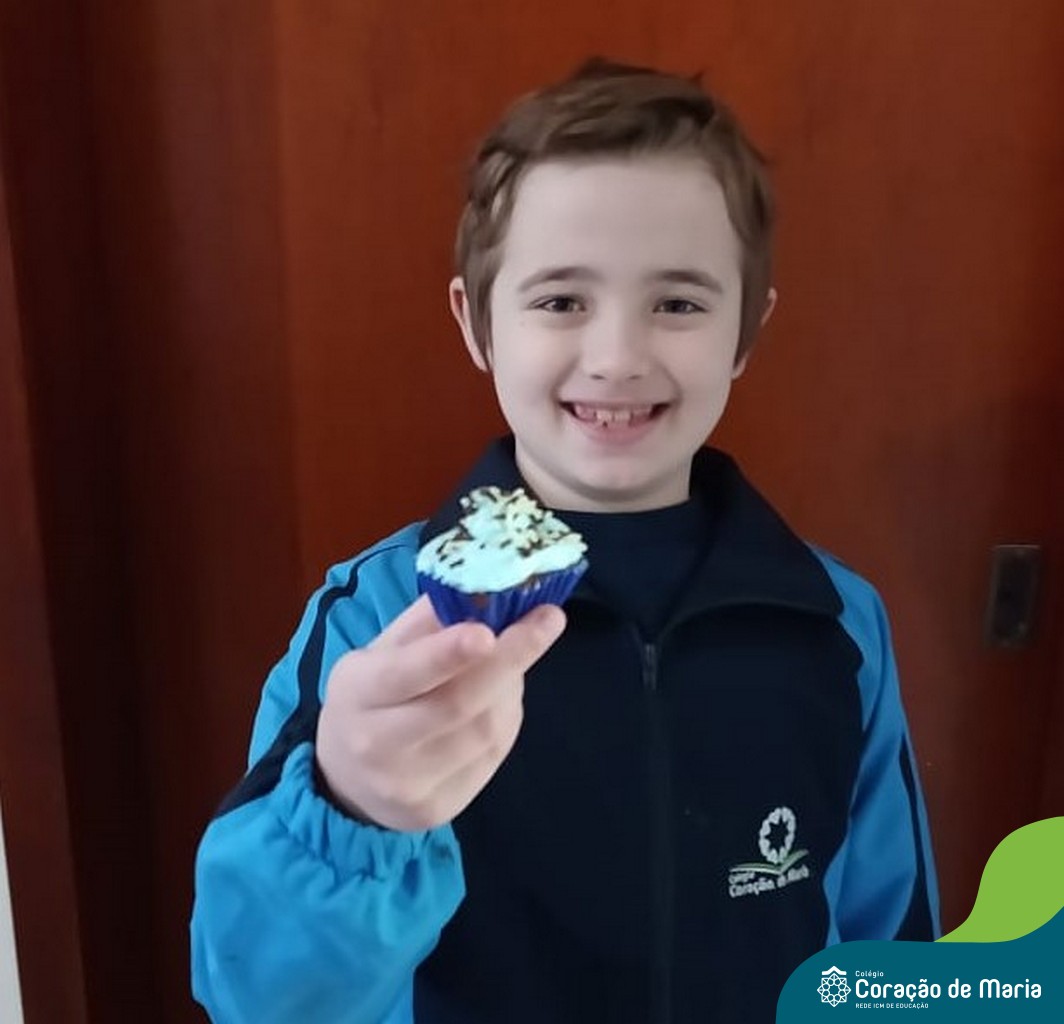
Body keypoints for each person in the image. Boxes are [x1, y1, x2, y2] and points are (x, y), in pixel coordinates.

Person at [191, 58, 939, 1024]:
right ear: (477, 324)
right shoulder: (379, 618)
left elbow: (889, 942)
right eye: (559, 301)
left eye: (678, 303)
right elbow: (259, 998)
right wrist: (353, 810)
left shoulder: (837, 623)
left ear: (747, 331)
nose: (618, 357)